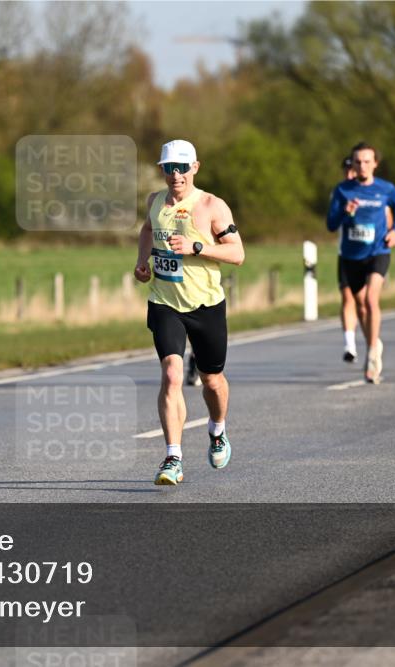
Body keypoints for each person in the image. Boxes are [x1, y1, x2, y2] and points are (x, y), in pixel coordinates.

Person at [135, 139, 245, 486]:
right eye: (169, 168)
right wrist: (142, 262)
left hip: (205, 305)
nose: (176, 175)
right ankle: (173, 457)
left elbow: (237, 253)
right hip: (164, 301)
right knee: (171, 375)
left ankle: (218, 430)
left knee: (212, 380)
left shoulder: (212, 206)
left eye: (182, 168)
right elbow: (148, 230)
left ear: (195, 168)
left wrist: (197, 247)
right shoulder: (155, 202)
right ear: (162, 170)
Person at [326, 142, 395, 384]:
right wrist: (345, 212)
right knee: (360, 306)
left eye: (367, 162)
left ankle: (371, 354)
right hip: (352, 257)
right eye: (358, 162)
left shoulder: (386, 189)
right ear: (353, 164)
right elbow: (331, 224)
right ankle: (374, 341)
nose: (362, 166)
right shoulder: (343, 190)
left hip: (378, 251)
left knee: (371, 299)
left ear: (375, 164)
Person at [337, 156, 364, 363]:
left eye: (351, 171)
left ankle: (371, 339)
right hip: (345, 253)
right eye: (346, 171)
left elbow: (387, 218)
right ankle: (350, 345)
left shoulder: (371, 192)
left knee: (363, 302)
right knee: (347, 298)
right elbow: (332, 221)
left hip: (368, 255)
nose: (349, 175)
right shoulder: (340, 192)